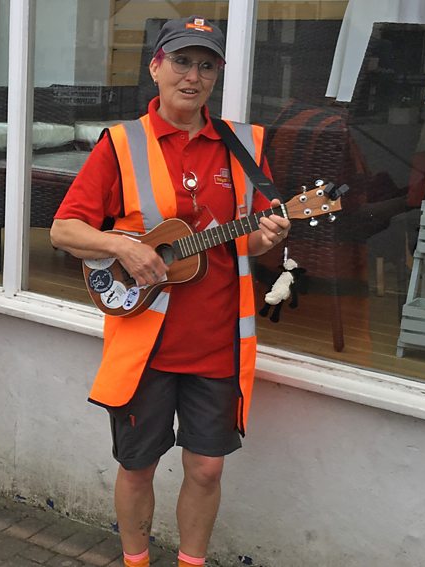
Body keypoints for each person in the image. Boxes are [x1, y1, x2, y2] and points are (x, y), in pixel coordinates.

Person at [49, 16, 291, 567]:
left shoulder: (245, 145)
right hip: (145, 346)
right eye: (182, 62)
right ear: (155, 66)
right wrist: (122, 247)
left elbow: (248, 241)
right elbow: (65, 229)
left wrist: (269, 234)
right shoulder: (121, 143)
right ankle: (136, 561)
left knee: (207, 467)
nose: (193, 76)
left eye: (206, 66)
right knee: (138, 465)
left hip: (215, 341)